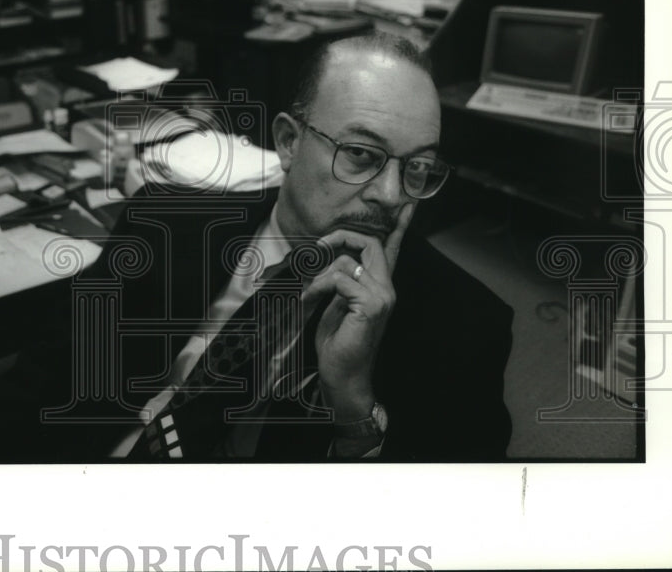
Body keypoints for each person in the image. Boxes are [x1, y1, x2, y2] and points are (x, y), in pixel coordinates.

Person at [78, 32, 513, 461]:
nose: (392, 194)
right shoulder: (162, 221)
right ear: (289, 141)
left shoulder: (469, 326)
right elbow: (49, 380)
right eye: (361, 153)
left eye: (417, 167)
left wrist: (354, 405)